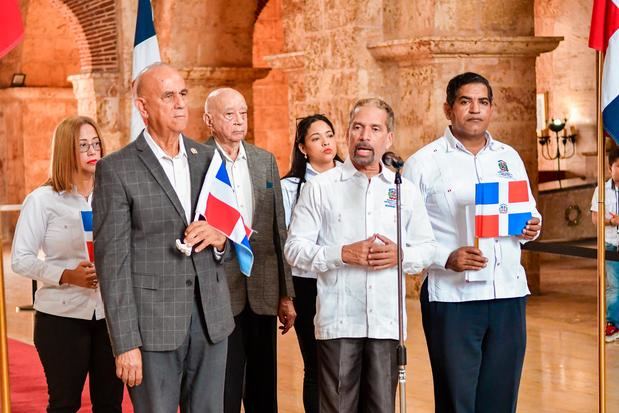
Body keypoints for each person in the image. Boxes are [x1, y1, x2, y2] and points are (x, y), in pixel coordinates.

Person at [92, 63, 234, 413]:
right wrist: (125, 343)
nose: (180, 104)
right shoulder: (116, 169)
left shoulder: (209, 158)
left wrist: (220, 239)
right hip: (153, 330)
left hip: (211, 322)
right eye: (168, 96)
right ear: (143, 108)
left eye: (183, 94)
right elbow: (113, 264)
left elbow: (231, 240)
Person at [285, 98, 437, 413]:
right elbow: (294, 249)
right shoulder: (322, 188)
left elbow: (427, 249)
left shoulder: (403, 189)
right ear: (349, 134)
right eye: (357, 127)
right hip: (339, 322)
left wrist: (400, 255)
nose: (364, 135)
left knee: (382, 408)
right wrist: (341, 253)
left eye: (374, 128)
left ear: (388, 139)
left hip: (386, 323)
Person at [403, 72, 542, 413]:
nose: (475, 110)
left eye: (483, 102)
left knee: (501, 398)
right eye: (466, 102)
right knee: (457, 400)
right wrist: (445, 257)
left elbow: (529, 214)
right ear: (449, 109)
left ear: (492, 109)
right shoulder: (423, 163)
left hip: (508, 295)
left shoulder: (509, 157)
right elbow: (403, 235)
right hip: (453, 299)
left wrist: (532, 227)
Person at [11, 115, 123, 412]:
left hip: (111, 317)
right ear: (66, 151)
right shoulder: (43, 200)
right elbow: (21, 259)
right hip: (61, 317)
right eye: (83, 145)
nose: (92, 151)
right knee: (64, 403)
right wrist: (65, 275)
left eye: (96, 143)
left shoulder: (113, 195)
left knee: (110, 404)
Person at [202, 87, 295, 413]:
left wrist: (286, 294)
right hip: (218, 289)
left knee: (263, 387)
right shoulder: (198, 161)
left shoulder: (264, 160)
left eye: (243, 113)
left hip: (263, 288)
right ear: (209, 120)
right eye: (229, 114)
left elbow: (278, 230)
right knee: (223, 383)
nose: (239, 121)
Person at [280, 114, 343, 413]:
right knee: (317, 364)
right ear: (303, 147)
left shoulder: (353, 178)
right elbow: (281, 247)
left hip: (346, 280)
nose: (325, 142)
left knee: (347, 363)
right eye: (316, 138)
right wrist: (286, 295)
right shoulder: (289, 188)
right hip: (307, 285)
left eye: (328, 135)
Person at [591, 147, 619, 342]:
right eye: (618, 166)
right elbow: (595, 218)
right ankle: (612, 324)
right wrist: (612, 222)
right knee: (613, 286)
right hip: (610, 243)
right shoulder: (601, 190)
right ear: (610, 168)